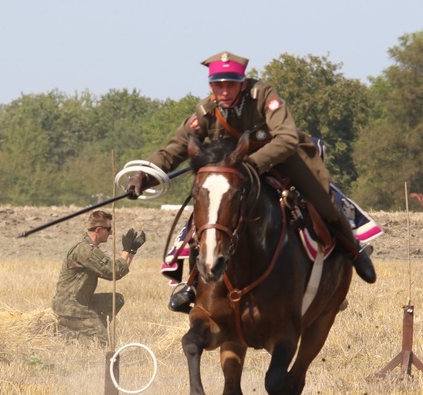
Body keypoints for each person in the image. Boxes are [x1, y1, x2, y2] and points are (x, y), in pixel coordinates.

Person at [125, 51, 377, 313]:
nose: (224, 91)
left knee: (323, 202)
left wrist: (253, 163)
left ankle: (353, 253)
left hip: (282, 158)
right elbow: (175, 148)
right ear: (211, 86)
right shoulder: (205, 111)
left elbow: (288, 138)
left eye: (230, 84)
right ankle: (192, 283)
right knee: (206, 217)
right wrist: (146, 172)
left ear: (242, 83)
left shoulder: (264, 96)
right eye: (218, 85)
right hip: (233, 170)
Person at [52, 210, 146, 345]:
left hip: (81, 302)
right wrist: (126, 250)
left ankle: (91, 329)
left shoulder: (89, 249)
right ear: (98, 230)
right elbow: (114, 271)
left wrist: (131, 251)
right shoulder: (85, 250)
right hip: (71, 307)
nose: (111, 233)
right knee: (101, 342)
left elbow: (115, 273)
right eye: (108, 229)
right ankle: (67, 336)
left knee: (116, 300)